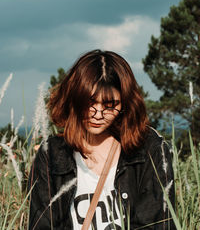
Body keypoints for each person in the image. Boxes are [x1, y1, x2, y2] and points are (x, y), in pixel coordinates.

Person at [28, 49, 175, 230]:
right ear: (74, 98)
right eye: (90, 103)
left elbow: (158, 223)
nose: (98, 114)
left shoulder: (150, 149)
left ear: (125, 104)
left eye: (109, 105)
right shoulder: (51, 155)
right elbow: (41, 225)